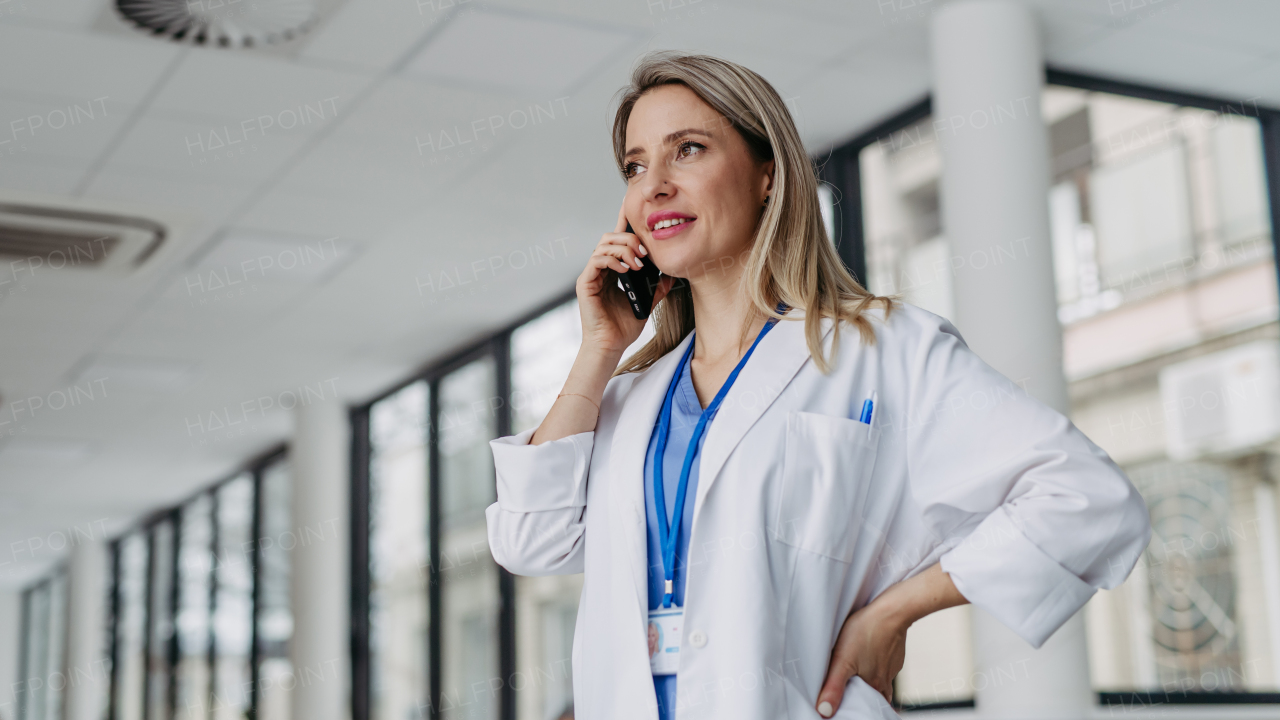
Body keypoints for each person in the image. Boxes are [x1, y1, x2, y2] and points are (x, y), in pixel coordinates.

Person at [484, 51, 1151, 720]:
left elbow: (1087, 499)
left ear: (767, 173)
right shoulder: (629, 398)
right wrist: (601, 349)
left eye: (687, 150)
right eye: (634, 166)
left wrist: (892, 613)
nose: (653, 186)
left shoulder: (884, 349)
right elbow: (529, 542)